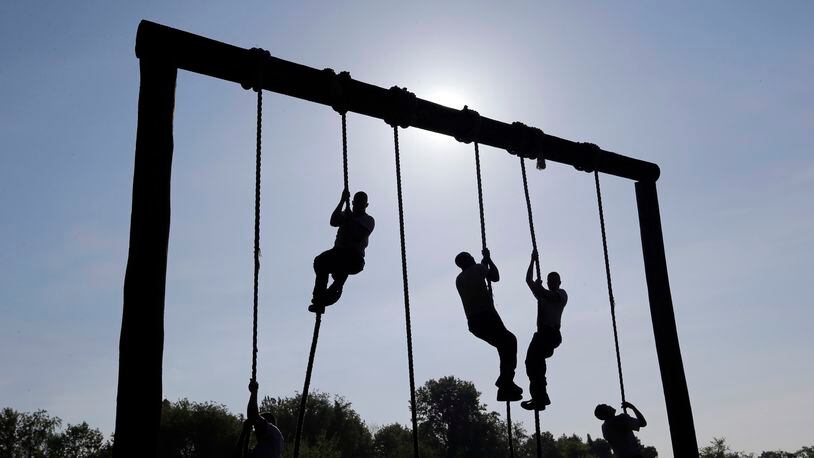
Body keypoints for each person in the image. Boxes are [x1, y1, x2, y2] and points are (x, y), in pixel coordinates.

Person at [454, 248, 523, 401]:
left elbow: (478, 278)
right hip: (487, 316)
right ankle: (505, 382)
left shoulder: (459, 280)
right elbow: (495, 277)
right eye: (471, 257)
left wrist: (483, 264)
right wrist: (488, 259)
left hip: (474, 323)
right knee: (510, 341)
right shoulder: (478, 268)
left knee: (503, 345)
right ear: (469, 260)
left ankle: (505, 383)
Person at [309, 189, 375, 313]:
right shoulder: (347, 214)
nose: (358, 206)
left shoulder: (368, 220)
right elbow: (333, 221)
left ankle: (334, 288)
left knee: (333, 269)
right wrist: (342, 202)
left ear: (366, 205)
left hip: (354, 259)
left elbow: (358, 236)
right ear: (353, 202)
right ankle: (320, 299)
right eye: (356, 203)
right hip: (339, 255)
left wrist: (348, 218)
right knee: (320, 262)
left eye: (361, 204)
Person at [521, 250, 567, 411]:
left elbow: (547, 294)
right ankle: (540, 396)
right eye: (550, 281)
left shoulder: (561, 295)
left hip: (550, 334)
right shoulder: (542, 295)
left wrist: (539, 288)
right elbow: (528, 280)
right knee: (533, 364)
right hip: (543, 335)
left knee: (534, 363)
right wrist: (532, 261)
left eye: (554, 281)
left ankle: (540, 397)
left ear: (559, 282)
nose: (552, 283)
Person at [245, 380, 283, 458]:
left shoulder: (275, 434)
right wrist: (244, 433)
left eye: (257, 426)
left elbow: (253, 417)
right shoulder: (260, 447)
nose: (256, 430)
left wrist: (254, 393)